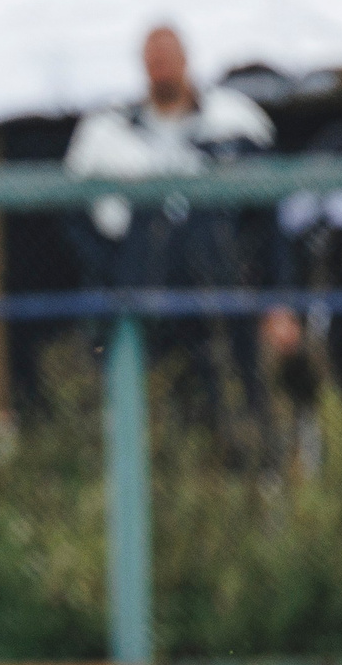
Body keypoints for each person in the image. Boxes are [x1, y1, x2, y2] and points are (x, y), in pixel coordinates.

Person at [65, 24, 279, 414]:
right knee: (152, 400)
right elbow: (73, 213)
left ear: (186, 59)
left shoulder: (232, 124)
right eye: (153, 59)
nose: (161, 67)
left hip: (220, 295)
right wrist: (112, 265)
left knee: (232, 395)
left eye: (169, 57)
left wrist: (261, 280)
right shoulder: (110, 134)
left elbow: (266, 215)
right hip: (145, 292)